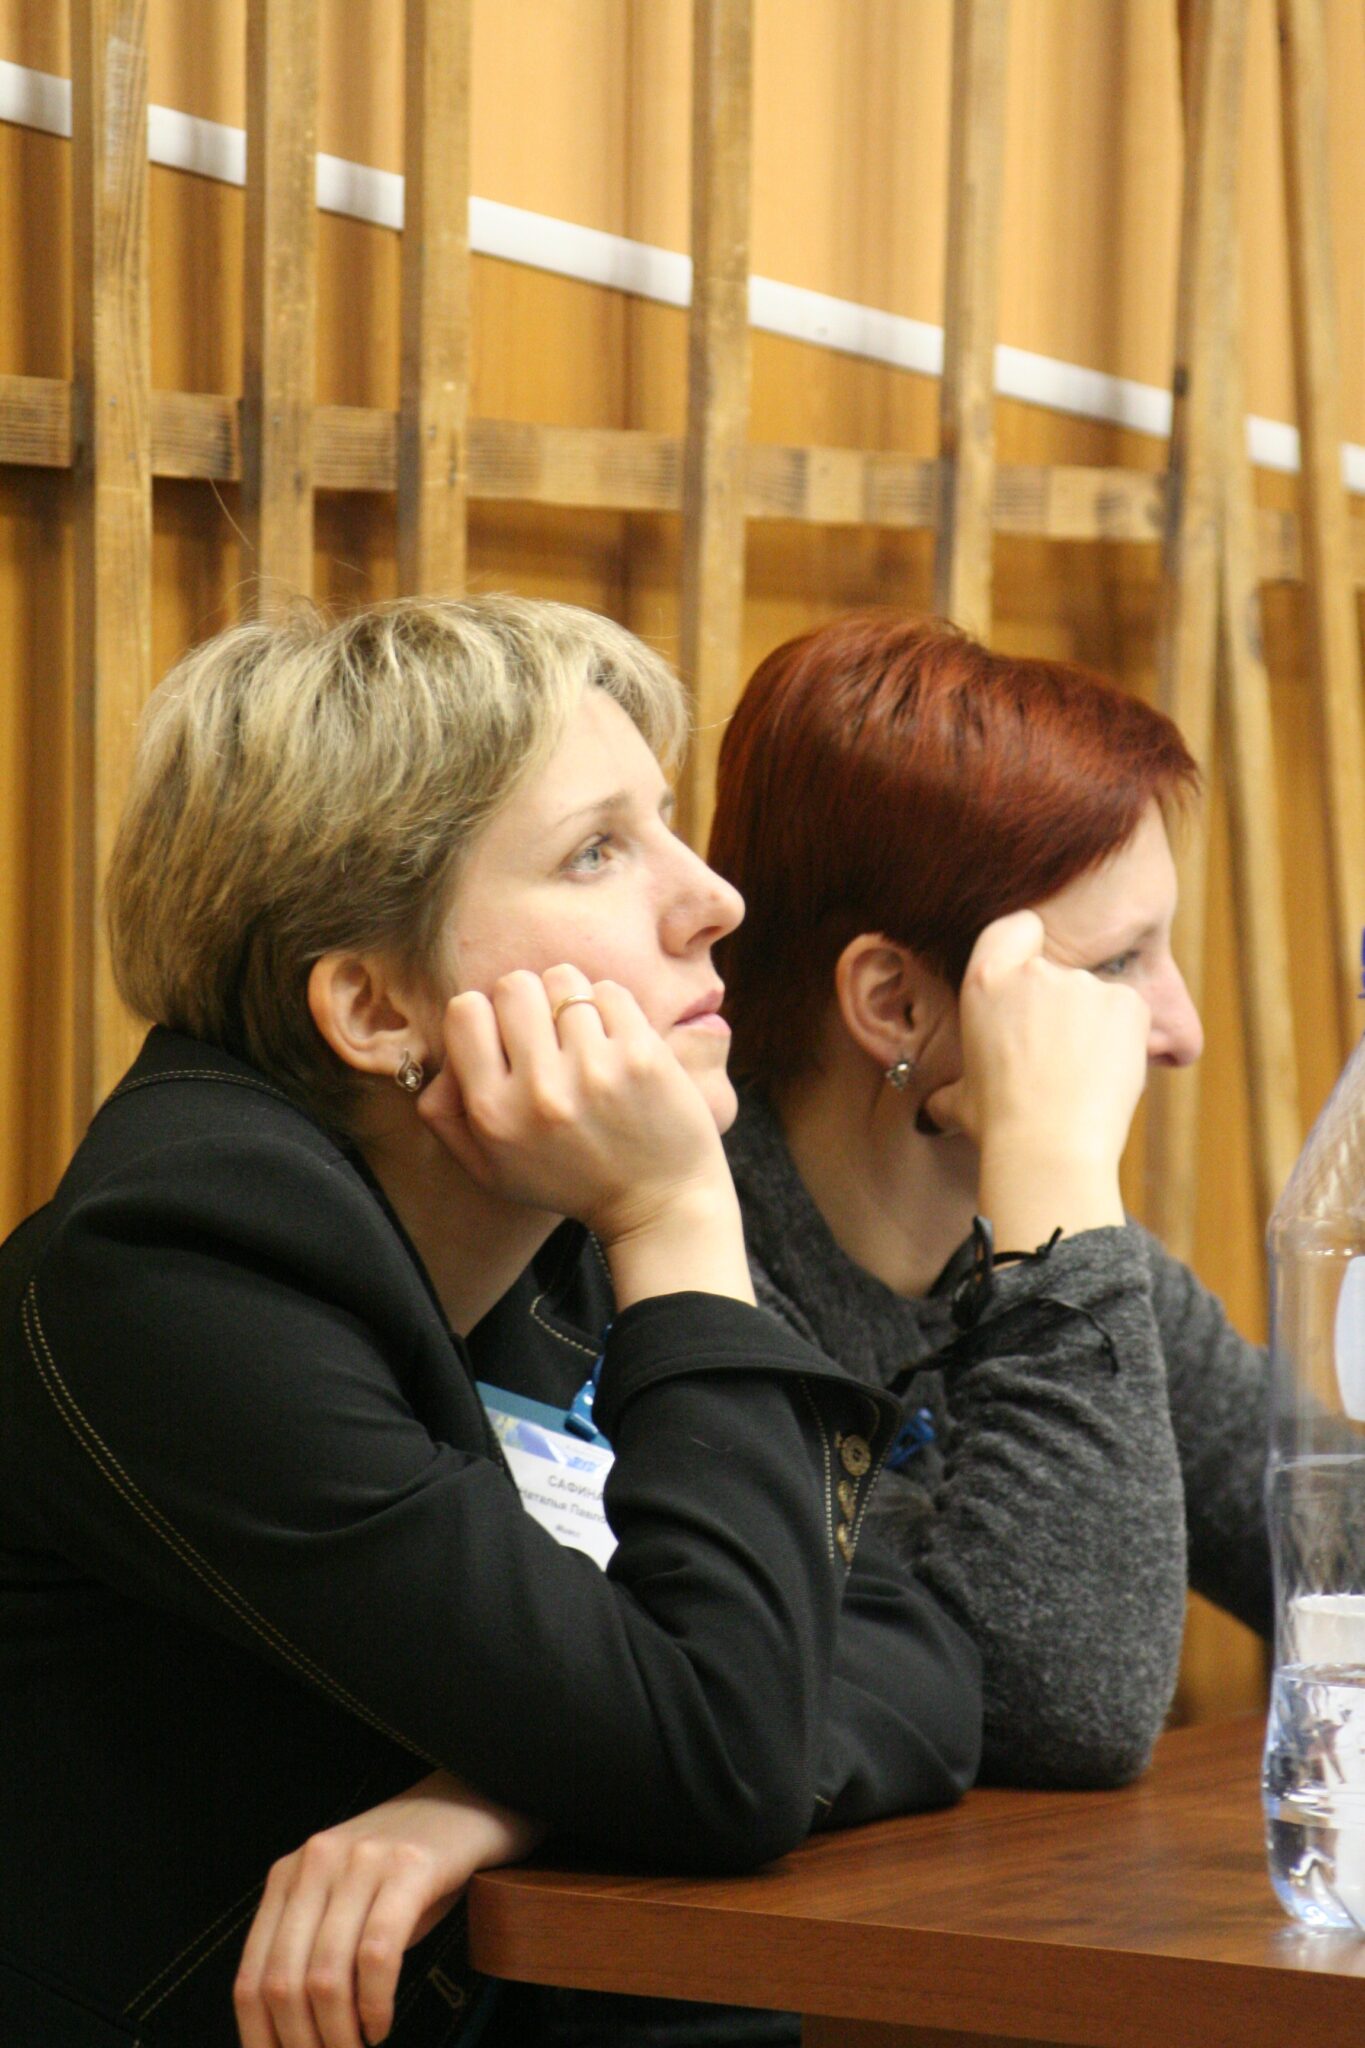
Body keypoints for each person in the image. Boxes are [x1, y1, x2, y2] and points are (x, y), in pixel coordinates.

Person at [0, 598, 980, 2048]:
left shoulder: (529, 1202)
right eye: (597, 850)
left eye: (664, 824)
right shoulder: (173, 1272)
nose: (713, 896)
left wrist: (498, 1794)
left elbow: (914, 1639)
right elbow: (727, 1747)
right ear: (376, 1007)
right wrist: (676, 1218)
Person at [706, 611, 1273, 1794]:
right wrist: (1056, 1175)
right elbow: (1057, 1706)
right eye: (1116, 965)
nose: (1181, 1031)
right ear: (897, 1005)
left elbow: (1336, 1550)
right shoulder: (696, 1274)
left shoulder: (1058, 1254)